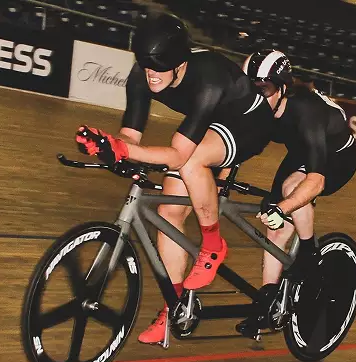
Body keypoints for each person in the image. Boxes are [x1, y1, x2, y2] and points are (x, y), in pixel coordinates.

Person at [74, 13, 277, 345]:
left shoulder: (208, 77)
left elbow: (180, 155)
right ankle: (175, 307)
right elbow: (131, 136)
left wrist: (123, 150)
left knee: (192, 160)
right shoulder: (142, 75)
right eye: (146, 64)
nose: (151, 72)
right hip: (212, 123)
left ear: (181, 63)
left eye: (160, 65)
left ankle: (213, 243)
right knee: (168, 213)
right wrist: (111, 149)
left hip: (248, 124)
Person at [238, 49, 356, 332]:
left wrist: (284, 207)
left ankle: (308, 253)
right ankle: (267, 300)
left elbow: (315, 181)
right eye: (250, 87)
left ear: (282, 88)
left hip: (335, 157)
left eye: (263, 88)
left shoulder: (306, 111)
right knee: (275, 227)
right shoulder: (263, 104)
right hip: (301, 151)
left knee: (293, 190)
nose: (256, 95)